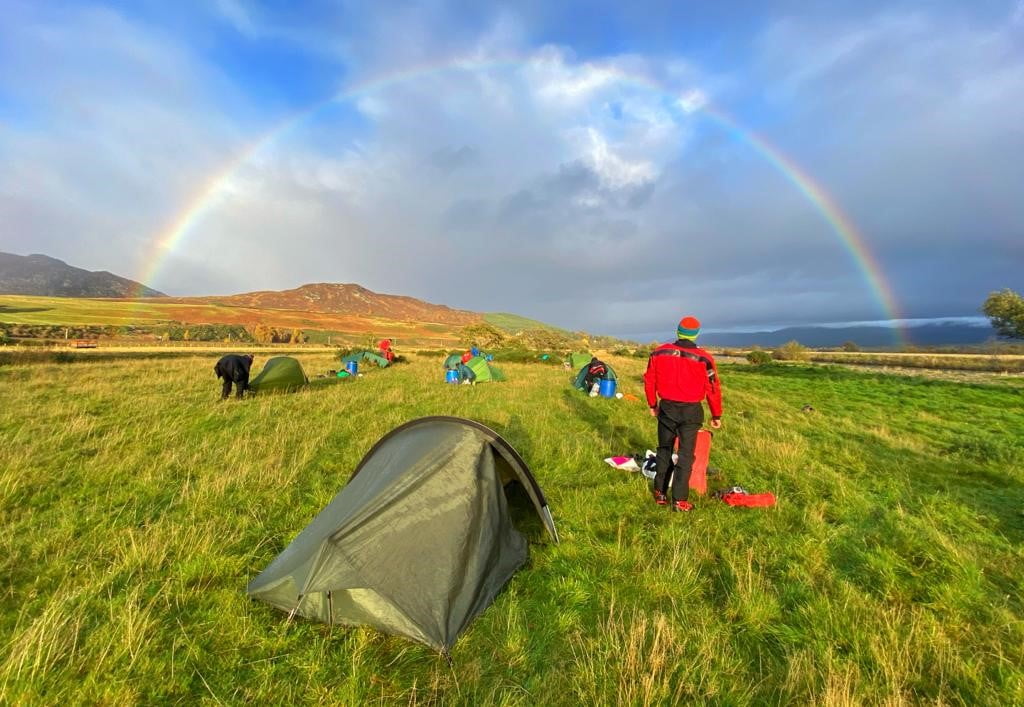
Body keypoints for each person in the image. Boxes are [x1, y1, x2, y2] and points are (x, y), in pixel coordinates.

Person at [643, 317, 723, 512]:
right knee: (685, 456)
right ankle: (679, 501)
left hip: (667, 408)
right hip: (691, 412)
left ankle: (660, 493)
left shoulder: (659, 352)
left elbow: (649, 380)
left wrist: (653, 404)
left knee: (664, 450)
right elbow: (713, 388)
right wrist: (716, 415)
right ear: (695, 334)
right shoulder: (705, 359)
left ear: (678, 332)